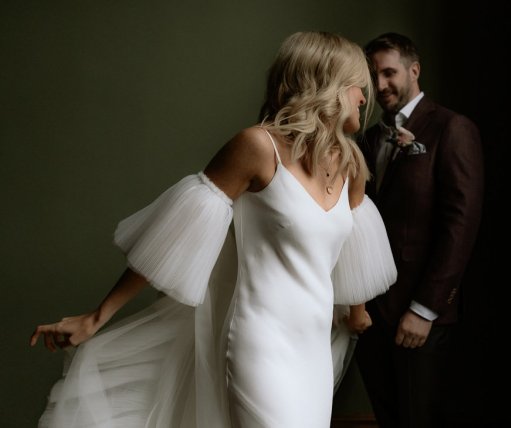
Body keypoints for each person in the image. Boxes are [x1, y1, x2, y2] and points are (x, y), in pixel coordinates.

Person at [29, 31, 398, 428]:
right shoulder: (257, 147)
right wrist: (97, 316)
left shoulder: (351, 165)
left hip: (313, 352)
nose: (365, 95)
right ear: (328, 86)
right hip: (259, 343)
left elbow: (351, 254)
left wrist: (357, 313)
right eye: (357, 84)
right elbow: (179, 233)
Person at [354, 32, 484, 428]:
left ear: (414, 70)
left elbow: (460, 224)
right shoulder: (370, 137)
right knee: (387, 416)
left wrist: (426, 308)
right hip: (372, 310)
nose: (380, 86)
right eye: (373, 76)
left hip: (419, 311)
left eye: (389, 73)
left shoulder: (452, 128)